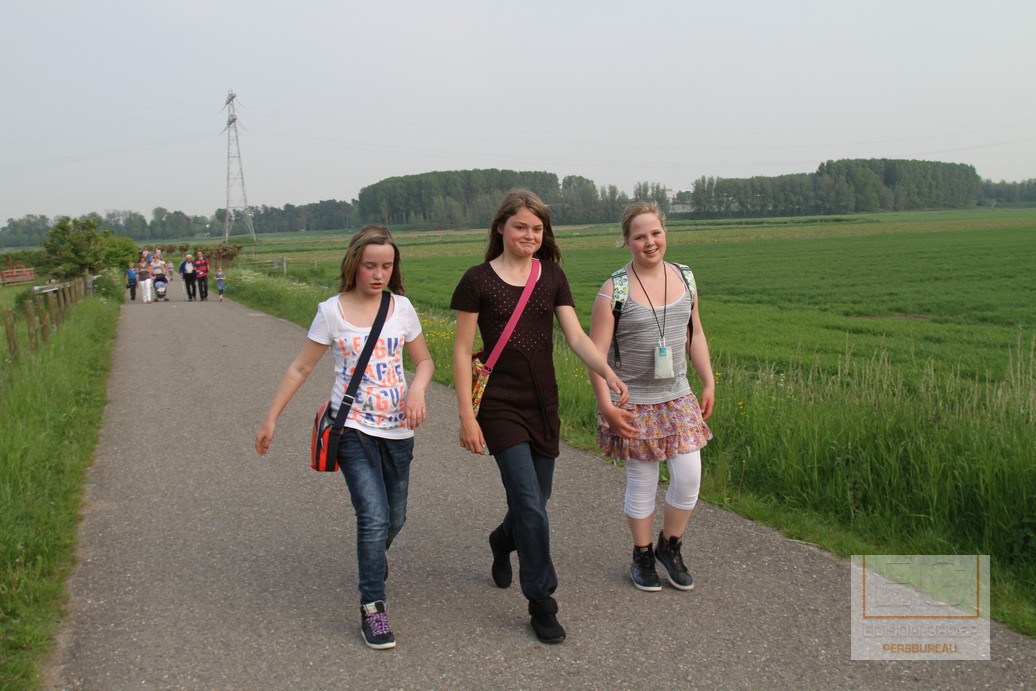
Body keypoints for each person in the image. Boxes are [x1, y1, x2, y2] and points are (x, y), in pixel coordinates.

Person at [450, 189, 628, 644]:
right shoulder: (476, 280)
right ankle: (542, 601)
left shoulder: (551, 276)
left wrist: (607, 372)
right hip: (499, 406)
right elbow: (462, 351)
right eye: (520, 227)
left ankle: (501, 540)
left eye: (537, 228)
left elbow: (576, 336)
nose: (529, 235)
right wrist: (467, 415)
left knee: (536, 501)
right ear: (500, 229)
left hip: (543, 402)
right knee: (529, 502)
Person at [256, 224, 434, 651]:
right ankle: (373, 607)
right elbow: (301, 367)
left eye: (386, 266)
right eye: (370, 266)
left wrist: (418, 388)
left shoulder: (402, 308)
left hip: (398, 430)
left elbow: (425, 361)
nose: (379, 274)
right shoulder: (331, 311)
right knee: (372, 517)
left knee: (395, 519)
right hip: (351, 428)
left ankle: (374, 558)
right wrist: (271, 419)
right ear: (354, 265)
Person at [588, 200, 715, 593]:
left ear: (665, 233)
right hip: (633, 402)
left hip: (678, 397)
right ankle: (641, 555)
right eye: (639, 236)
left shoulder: (686, 277)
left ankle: (669, 546)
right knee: (642, 482)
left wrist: (708, 381)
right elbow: (595, 357)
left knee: (689, 476)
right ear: (626, 241)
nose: (650, 242)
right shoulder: (614, 291)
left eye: (656, 233)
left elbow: (695, 333)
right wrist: (607, 406)